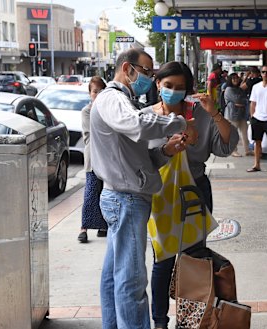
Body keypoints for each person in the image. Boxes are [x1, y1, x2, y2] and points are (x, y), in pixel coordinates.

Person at [90, 48, 189, 329]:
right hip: (125, 199)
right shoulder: (112, 98)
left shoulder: (123, 100)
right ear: (127, 68)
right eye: (146, 72)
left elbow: (134, 156)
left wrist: (166, 152)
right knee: (131, 281)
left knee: (115, 276)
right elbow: (135, 125)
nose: (149, 78)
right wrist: (178, 121)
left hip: (127, 197)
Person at [146, 61, 237, 329]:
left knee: (194, 261)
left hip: (195, 192)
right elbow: (138, 159)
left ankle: (190, 321)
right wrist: (167, 150)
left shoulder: (201, 114)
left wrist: (215, 113)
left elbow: (226, 147)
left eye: (180, 87)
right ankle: (160, 321)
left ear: (188, 89)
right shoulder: (146, 116)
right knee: (162, 261)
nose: (173, 91)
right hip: (161, 196)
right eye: (168, 86)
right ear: (158, 85)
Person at [78, 76, 107, 243]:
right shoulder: (87, 111)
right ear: (90, 94)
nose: (97, 94)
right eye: (95, 91)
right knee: (90, 192)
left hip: (106, 158)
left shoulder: (107, 109)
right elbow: (93, 133)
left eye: (101, 91)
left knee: (104, 192)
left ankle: (103, 226)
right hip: (92, 158)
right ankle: (84, 228)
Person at [224, 73, 250, 157]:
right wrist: (240, 102)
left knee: (245, 132)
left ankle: (247, 150)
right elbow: (238, 99)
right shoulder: (228, 89)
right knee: (233, 134)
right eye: (233, 78)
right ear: (230, 80)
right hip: (232, 115)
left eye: (236, 78)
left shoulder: (239, 89)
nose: (235, 80)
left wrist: (241, 103)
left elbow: (245, 99)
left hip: (242, 114)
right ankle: (233, 151)